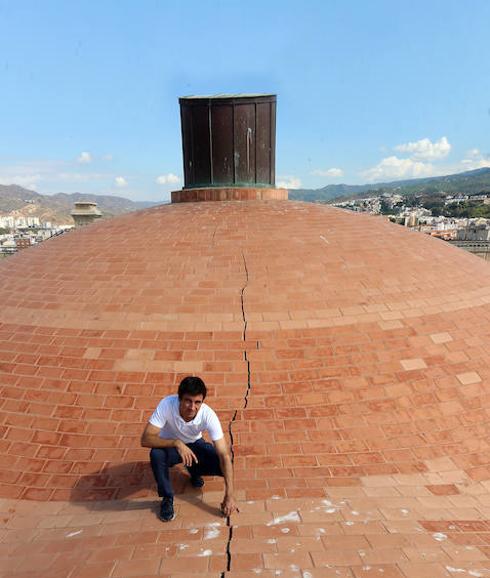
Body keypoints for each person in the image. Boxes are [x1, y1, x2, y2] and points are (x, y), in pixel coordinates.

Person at [141, 376, 238, 522]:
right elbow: (146, 438)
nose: (192, 407)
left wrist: (229, 496)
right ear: (179, 398)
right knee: (156, 455)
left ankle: (194, 470)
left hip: (195, 445)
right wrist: (177, 443)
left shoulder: (208, 415)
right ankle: (167, 498)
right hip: (171, 446)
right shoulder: (167, 404)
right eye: (188, 401)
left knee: (224, 462)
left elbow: (224, 454)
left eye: (197, 402)